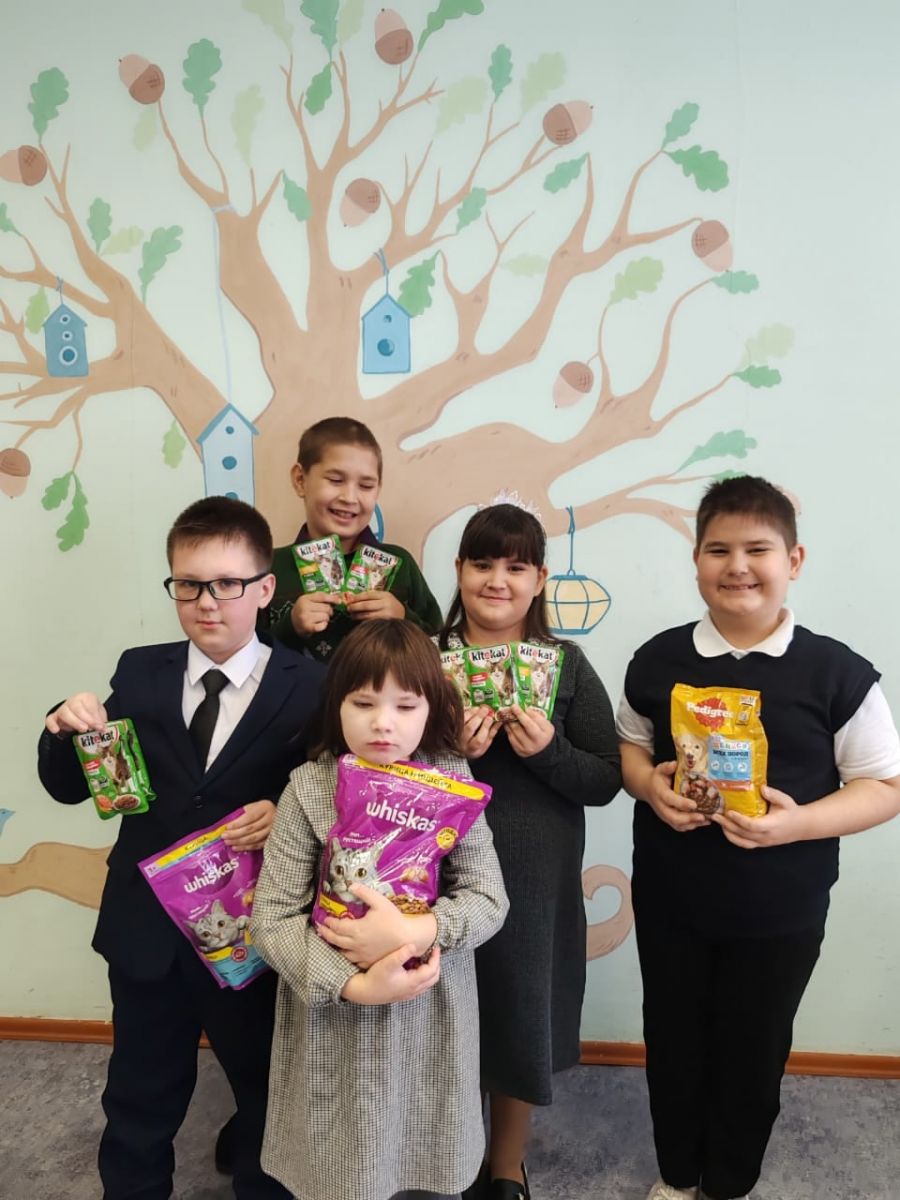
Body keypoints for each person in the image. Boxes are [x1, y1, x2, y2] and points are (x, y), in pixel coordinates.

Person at [616, 475, 900, 1200]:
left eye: (757, 549)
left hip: (781, 909)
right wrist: (649, 787)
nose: (737, 566)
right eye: (718, 549)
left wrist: (798, 823)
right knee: (672, 1040)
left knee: (754, 1048)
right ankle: (678, 1175)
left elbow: (885, 787)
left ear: (793, 561)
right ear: (696, 560)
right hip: (673, 899)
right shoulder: (657, 661)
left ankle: (729, 1182)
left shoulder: (838, 673)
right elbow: (630, 749)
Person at [37, 496, 325, 1200]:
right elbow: (73, 786)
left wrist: (287, 811)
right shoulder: (140, 672)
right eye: (188, 584)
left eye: (227, 583)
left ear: (265, 588)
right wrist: (62, 730)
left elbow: (337, 795)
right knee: (139, 1094)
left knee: (267, 1094)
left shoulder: (313, 686)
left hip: (256, 934)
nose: (206, 602)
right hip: (148, 931)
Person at [250, 619, 509, 1200]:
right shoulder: (308, 788)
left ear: (432, 709)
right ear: (336, 705)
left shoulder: (453, 782)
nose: (383, 722)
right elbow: (271, 919)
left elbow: (489, 899)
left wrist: (419, 930)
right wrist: (353, 983)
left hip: (429, 1014)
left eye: (405, 705)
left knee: (426, 1158)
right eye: (363, 703)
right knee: (338, 1168)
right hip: (330, 1020)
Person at [438, 502, 622, 1200]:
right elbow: (376, 762)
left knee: (521, 1009)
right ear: (459, 569)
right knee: (444, 1010)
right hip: (434, 866)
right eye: (483, 563)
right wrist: (447, 751)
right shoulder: (423, 658)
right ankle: (449, 1156)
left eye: (516, 566)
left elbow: (605, 778)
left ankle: (506, 1165)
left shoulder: (566, 665)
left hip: (534, 872)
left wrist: (547, 752)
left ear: (540, 579)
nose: (498, 580)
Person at [266, 416, 443, 660]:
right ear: (300, 480)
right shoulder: (270, 568)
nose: (350, 497)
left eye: (366, 486)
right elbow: (241, 656)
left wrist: (404, 619)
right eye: (335, 480)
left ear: (378, 488)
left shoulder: (401, 565)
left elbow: (440, 650)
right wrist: (290, 627)